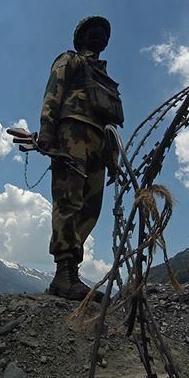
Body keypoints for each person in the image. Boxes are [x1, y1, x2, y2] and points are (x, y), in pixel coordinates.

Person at [38, 16, 123, 301]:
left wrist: (112, 158)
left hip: (99, 144)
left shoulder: (106, 78)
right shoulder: (69, 60)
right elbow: (53, 92)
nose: (99, 34)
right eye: (92, 30)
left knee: (90, 208)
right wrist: (47, 131)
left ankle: (72, 271)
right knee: (69, 200)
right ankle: (63, 273)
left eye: (103, 33)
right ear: (81, 37)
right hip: (71, 133)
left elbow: (110, 124)